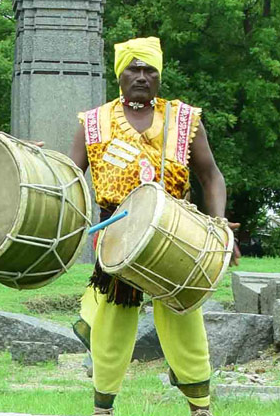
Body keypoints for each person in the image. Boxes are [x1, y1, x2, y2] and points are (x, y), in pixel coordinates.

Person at [69, 37, 240, 416]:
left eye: (150, 70)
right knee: (113, 322)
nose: (142, 77)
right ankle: (102, 408)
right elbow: (68, 180)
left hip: (177, 233)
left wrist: (218, 225)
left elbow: (211, 176)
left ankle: (201, 408)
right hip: (116, 236)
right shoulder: (93, 123)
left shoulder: (183, 120)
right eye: (134, 68)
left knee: (183, 318)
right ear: (120, 75)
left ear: (159, 75)